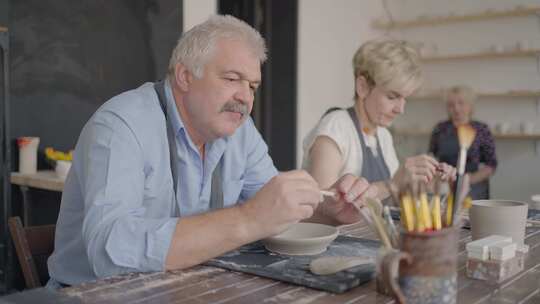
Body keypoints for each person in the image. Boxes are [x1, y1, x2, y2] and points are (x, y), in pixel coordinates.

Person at [47, 15, 375, 288]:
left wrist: (329, 210)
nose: (245, 97)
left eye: (252, 86)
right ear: (185, 76)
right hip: (96, 296)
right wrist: (248, 219)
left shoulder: (239, 132)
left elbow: (275, 209)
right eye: (232, 79)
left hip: (187, 289)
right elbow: (108, 252)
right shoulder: (122, 125)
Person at [302, 39, 455, 217]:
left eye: (405, 99)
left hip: (367, 239)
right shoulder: (336, 127)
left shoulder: (383, 136)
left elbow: (394, 202)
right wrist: (391, 184)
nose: (401, 109)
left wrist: (429, 183)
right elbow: (320, 206)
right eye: (392, 97)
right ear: (363, 87)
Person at [429, 85, 497, 199]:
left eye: (461, 103)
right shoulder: (440, 128)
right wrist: (437, 176)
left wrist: (468, 179)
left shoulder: (481, 129)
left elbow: (491, 165)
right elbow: (432, 157)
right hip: (445, 188)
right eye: (451, 105)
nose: (456, 108)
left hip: (474, 189)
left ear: (470, 105)